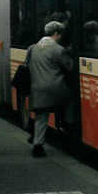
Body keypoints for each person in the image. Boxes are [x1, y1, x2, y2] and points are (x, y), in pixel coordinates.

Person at [28, 21, 73, 158]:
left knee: (41, 116)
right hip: (55, 89)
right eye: (60, 35)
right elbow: (70, 67)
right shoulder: (58, 49)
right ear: (56, 33)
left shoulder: (32, 48)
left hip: (37, 88)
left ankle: (37, 144)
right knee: (71, 100)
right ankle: (68, 128)